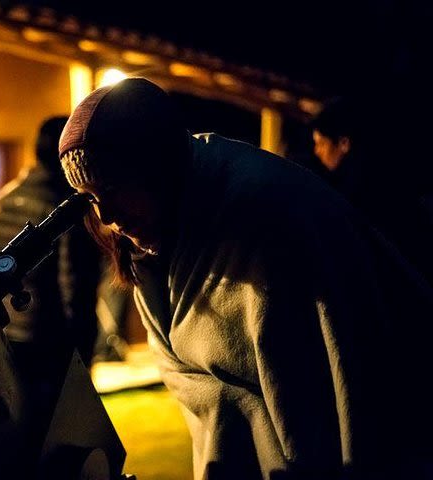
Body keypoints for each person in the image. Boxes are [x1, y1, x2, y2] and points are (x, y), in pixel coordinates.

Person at [58, 77, 433, 479]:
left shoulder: (270, 215)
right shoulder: (159, 242)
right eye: (93, 200)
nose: (108, 217)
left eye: (114, 189)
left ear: (156, 164)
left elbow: (349, 388)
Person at [0, 116, 102, 367]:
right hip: (53, 338)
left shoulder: (1, 201)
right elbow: (74, 282)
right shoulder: (65, 209)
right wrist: (83, 344)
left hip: (11, 329)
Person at [311, 97, 433, 286]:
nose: (316, 151)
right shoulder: (371, 178)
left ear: (344, 143)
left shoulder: (358, 191)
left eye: (321, 143)